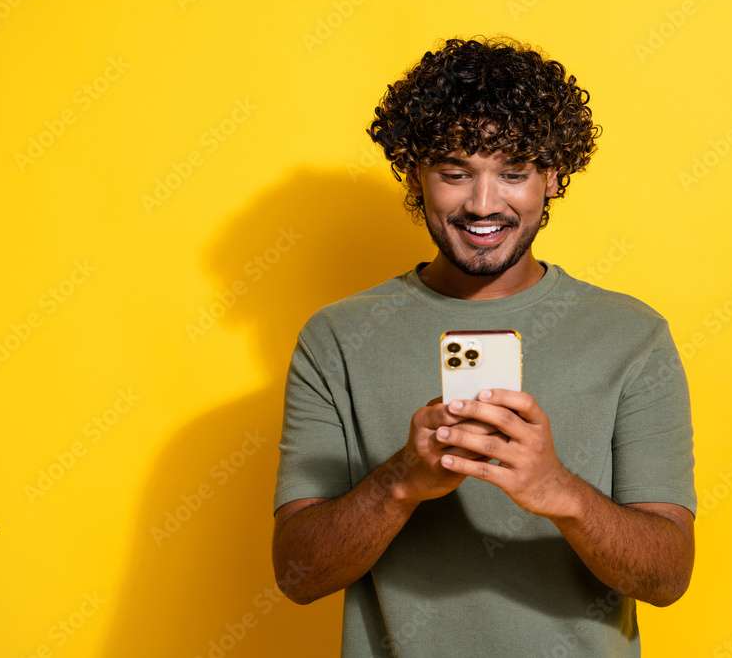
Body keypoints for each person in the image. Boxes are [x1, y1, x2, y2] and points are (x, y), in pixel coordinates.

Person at [272, 36, 696, 657]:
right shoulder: (335, 338)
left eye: (514, 172)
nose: (483, 204)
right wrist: (400, 482)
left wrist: (557, 491)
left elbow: (668, 577)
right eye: (454, 172)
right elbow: (296, 576)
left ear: (553, 179)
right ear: (416, 174)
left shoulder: (632, 335)